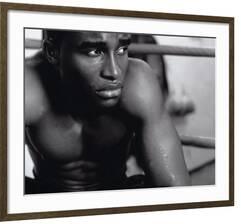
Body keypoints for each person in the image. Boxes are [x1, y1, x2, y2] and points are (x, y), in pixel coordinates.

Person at [24, 30, 191, 193]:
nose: (114, 72)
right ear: (52, 52)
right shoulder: (25, 85)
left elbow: (174, 188)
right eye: (95, 51)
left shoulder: (138, 80)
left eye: (121, 49)